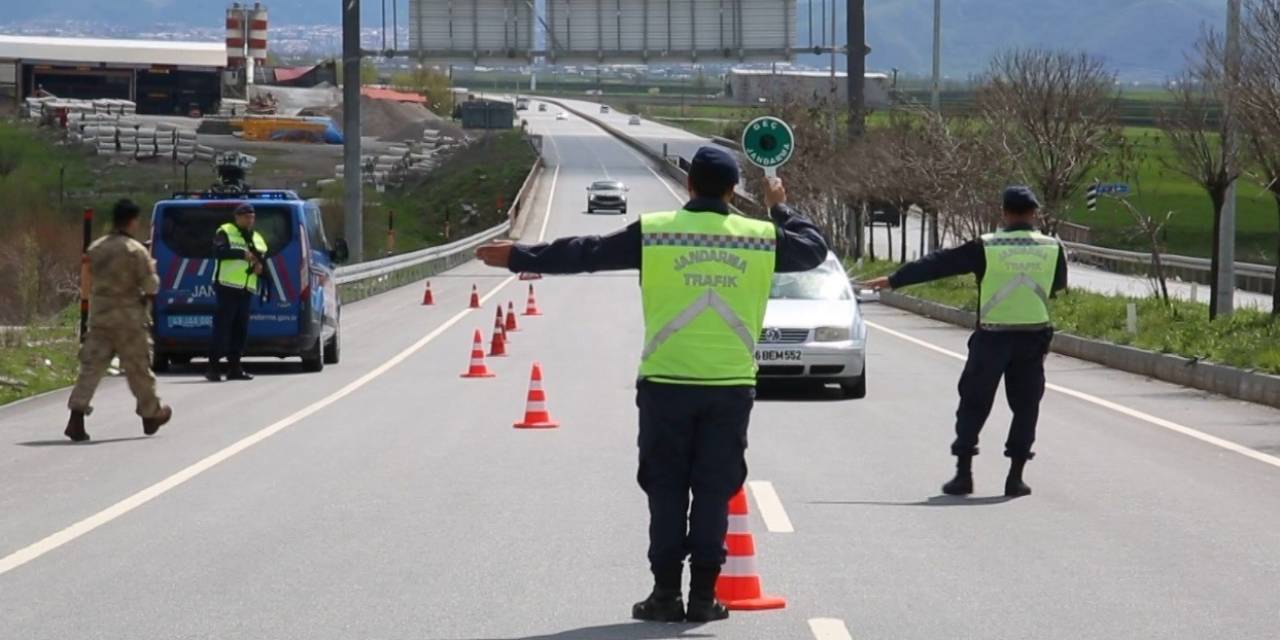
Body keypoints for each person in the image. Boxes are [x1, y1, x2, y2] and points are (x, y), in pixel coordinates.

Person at [475, 146, 828, 623]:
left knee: (666, 489)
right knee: (713, 489)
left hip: (666, 383)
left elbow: (588, 253)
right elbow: (813, 248)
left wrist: (520, 256)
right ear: (730, 191)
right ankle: (704, 596)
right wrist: (778, 204)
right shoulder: (761, 236)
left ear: (688, 186)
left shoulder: (658, 232)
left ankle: (664, 595)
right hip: (730, 386)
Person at [863, 186, 1068, 498]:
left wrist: (894, 280)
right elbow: (1057, 285)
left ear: (1004, 212)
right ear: (1034, 213)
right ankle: (1016, 477)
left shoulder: (987, 246)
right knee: (1026, 407)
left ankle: (964, 474)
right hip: (1033, 337)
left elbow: (939, 263)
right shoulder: (1053, 247)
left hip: (992, 338)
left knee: (973, 403)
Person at [64, 199, 173, 442]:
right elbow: (150, 285)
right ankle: (150, 415)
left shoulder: (97, 248)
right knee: (138, 369)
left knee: (91, 369)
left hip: (101, 316)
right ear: (132, 221)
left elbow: (87, 279)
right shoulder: (135, 251)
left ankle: (76, 417)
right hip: (129, 320)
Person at [206, 203, 268, 382]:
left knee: (240, 330)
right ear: (237, 217)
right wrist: (241, 254)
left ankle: (235, 368)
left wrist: (260, 267)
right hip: (226, 286)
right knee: (222, 327)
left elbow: (262, 259)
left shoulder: (257, 237)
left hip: (246, 288)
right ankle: (213, 368)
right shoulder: (225, 231)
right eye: (246, 216)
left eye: (252, 217)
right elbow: (218, 252)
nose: (250, 220)